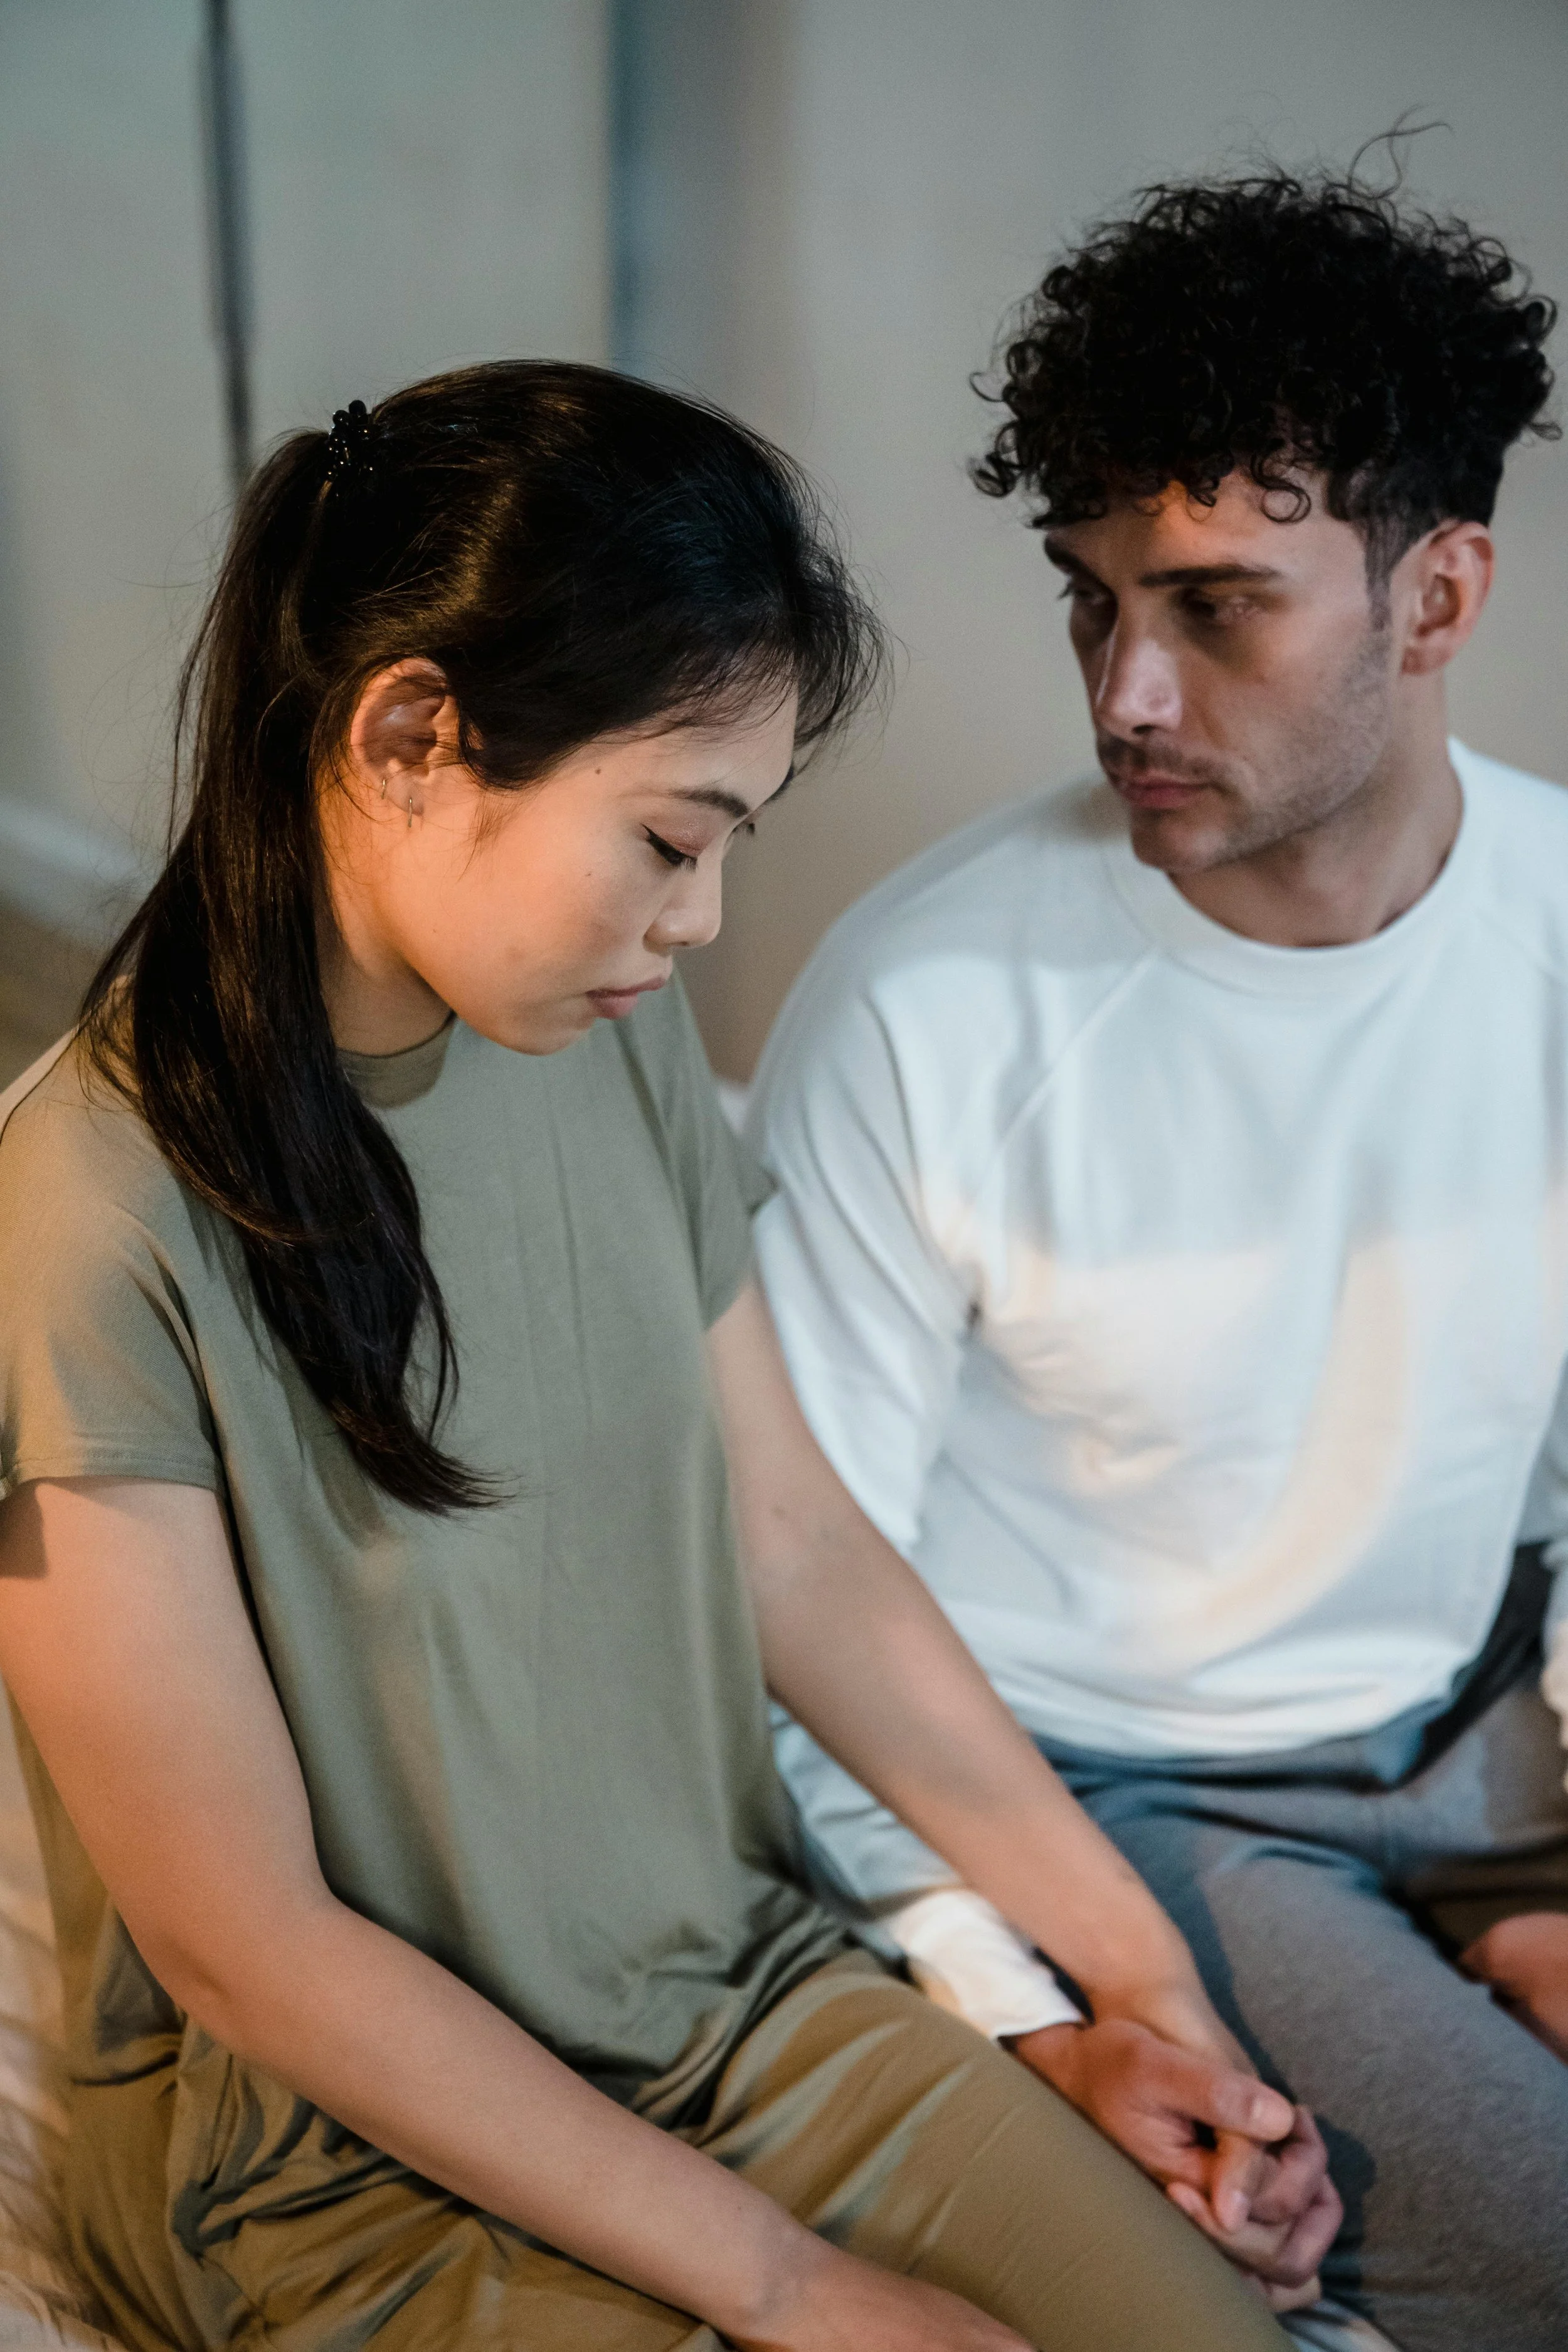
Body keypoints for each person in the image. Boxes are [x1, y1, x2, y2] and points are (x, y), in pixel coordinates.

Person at [0, 363, 1305, 2352]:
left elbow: (797, 1552)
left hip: (730, 1994)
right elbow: (248, 1949)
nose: (698, 922)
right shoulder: (88, 1215)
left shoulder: (599, 1046)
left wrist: (1136, 1994)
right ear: (412, 734)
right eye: (667, 837)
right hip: (326, 2160)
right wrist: (798, 2289)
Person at [746, 167, 1568, 2352]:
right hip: (1135, 1802)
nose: (1123, 688)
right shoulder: (924, 999)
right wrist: (1017, 2009)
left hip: (1495, 1728)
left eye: (1215, 606)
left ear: (1438, 592)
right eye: (1089, 598)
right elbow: (790, 1589)